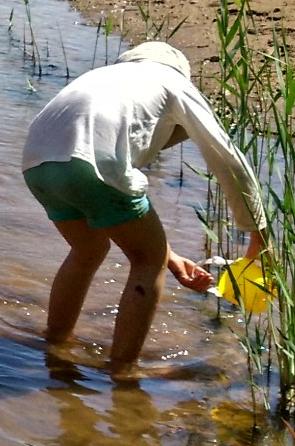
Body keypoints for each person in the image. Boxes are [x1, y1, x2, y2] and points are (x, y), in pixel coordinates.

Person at [21, 41, 268, 372]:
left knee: (88, 250)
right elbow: (228, 158)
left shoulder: (107, 76)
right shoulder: (174, 82)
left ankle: (55, 346)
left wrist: (175, 259)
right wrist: (258, 235)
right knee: (146, 260)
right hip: (92, 159)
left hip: (36, 162)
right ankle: (123, 373)